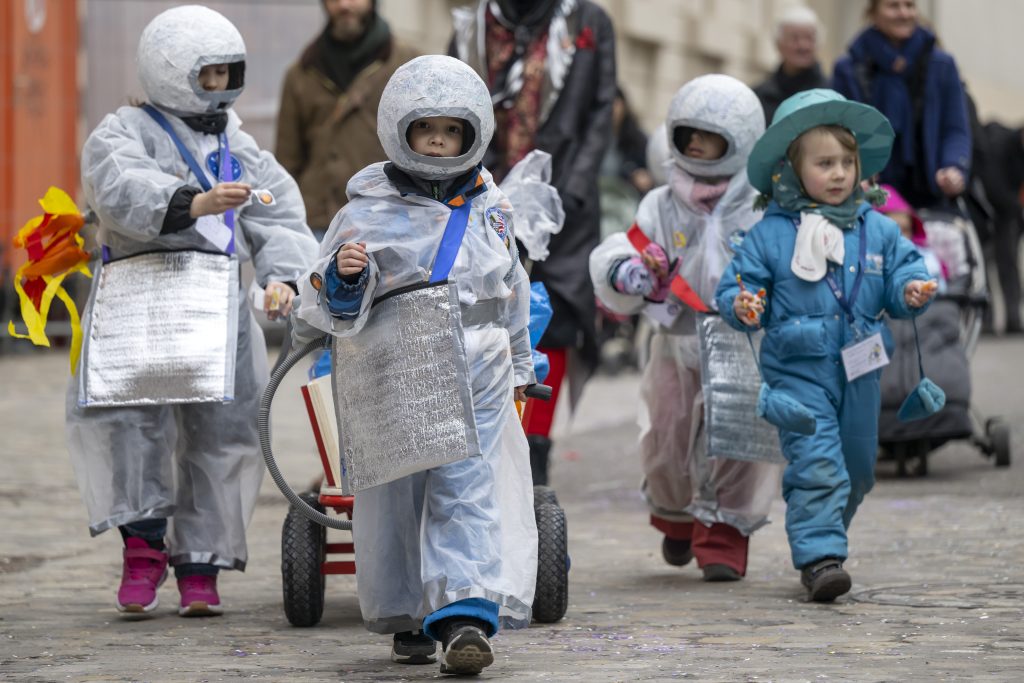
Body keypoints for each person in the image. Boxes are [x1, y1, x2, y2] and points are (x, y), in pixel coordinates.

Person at [68, 6, 317, 616]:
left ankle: (201, 564)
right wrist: (192, 202)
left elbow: (276, 210)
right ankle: (144, 549)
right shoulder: (122, 131)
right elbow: (117, 188)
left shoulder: (237, 141)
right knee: (132, 425)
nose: (221, 86)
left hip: (216, 304)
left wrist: (283, 276)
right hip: (139, 296)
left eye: (228, 73)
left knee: (224, 429)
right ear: (170, 70)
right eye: (209, 75)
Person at [292, 55, 537, 676]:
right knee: (397, 492)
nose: (437, 140)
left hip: (476, 364)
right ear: (400, 129)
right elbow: (325, 300)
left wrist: (520, 364)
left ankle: (464, 614)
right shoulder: (363, 211)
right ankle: (405, 614)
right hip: (392, 365)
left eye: (451, 130)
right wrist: (347, 278)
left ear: (471, 133)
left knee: (466, 485)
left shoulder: (491, 207)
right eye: (425, 127)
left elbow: (513, 290)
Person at [715, 89, 937, 602]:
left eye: (846, 162)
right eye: (824, 163)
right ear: (791, 171)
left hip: (861, 367)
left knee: (858, 469)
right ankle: (820, 559)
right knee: (818, 462)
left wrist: (910, 289)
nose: (838, 173)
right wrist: (744, 303)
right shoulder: (770, 234)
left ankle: (827, 533)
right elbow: (739, 285)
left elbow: (905, 270)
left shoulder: (878, 229)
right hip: (797, 369)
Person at [589, 75, 781, 581]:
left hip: (743, 341)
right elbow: (626, 243)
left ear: (739, 137)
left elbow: (784, 258)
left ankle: (724, 536)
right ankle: (676, 517)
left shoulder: (762, 203)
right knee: (668, 434)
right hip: (676, 338)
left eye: (709, 135)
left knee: (741, 437)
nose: (695, 144)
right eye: (687, 132)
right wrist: (629, 270)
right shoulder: (661, 201)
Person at [451, 0, 618, 486]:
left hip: (562, 197)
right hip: (479, 194)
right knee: (479, 308)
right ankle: (479, 436)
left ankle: (537, 448)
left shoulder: (589, 22)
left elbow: (600, 109)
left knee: (556, 317)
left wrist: (572, 190)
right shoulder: (472, 24)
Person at [275, 0, 419, 236]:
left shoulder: (408, 64)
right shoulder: (301, 72)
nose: (344, 5)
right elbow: (286, 163)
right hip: (318, 223)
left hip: (390, 217)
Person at [832, 0, 971, 210]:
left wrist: (952, 167)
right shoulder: (849, 68)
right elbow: (837, 130)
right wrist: (856, 168)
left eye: (910, 5)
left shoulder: (941, 65)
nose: (904, 13)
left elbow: (955, 128)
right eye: (893, 6)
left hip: (929, 196)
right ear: (873, 13)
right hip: (869, 196)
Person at [753, 5, 829, 126]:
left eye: (809, 38)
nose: (803, 46)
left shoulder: (831, 95)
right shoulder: (758, 97)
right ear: (778, 44)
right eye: (795, 38)